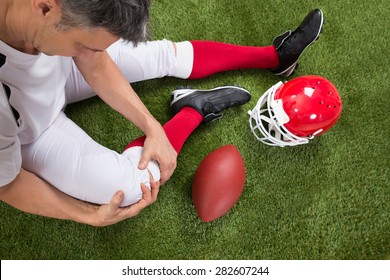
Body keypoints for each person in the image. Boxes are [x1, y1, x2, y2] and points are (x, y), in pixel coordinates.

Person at [0, 0, 324, 226]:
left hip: (56, 57)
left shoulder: (63, 28)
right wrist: (87, 214)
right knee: (131, 188)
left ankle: (274, 57)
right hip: (31, 128)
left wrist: (152, 126)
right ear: (44, 7)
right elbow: (7, 185)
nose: (94, 54)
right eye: (88, 44)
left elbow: (93, 61)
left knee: (158, 55)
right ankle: (193, 110)